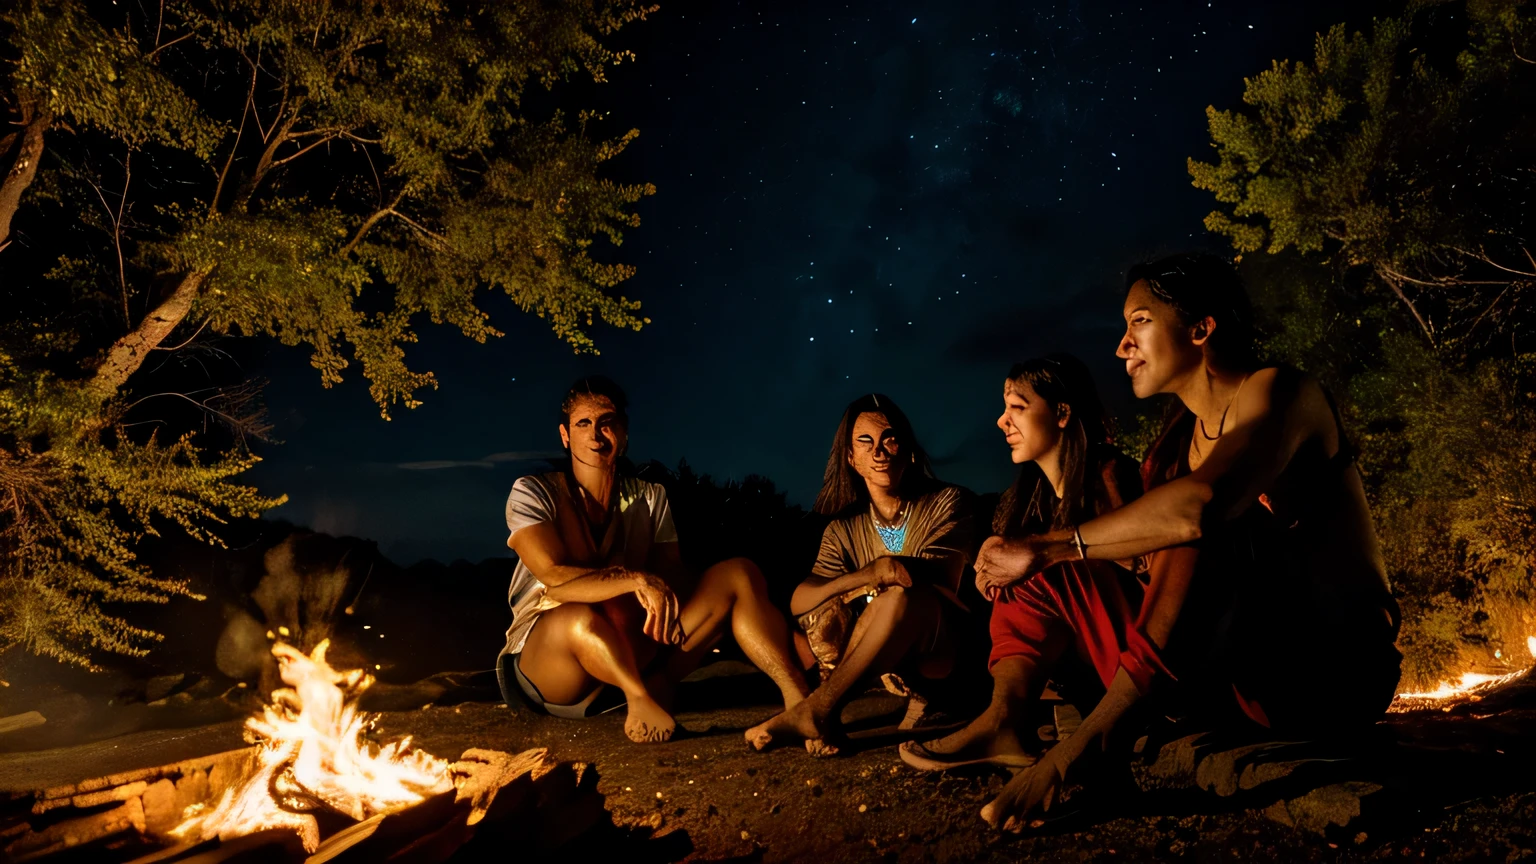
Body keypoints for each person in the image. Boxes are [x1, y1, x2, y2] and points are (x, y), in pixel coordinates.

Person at [971, 254, 1401, 831]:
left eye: (1139, 322)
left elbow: (1201, 510)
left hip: (1331, 672)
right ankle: (1006, 718)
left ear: (1201, 327)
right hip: (1237, 674)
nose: (1122, 347)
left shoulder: (1282, 392)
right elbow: (1158, 560)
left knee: (1190, 525)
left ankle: (1094, 745)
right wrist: (1024, 558)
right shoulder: (1175, 444)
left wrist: (1052, 545)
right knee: (1045, 574)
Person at [498, 376, 809, 743]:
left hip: (634, 644)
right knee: (576, 614)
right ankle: (638, 698)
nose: (597, 435)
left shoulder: (649, 496)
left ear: (624, 432)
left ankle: (800, 699)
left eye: (607, 421)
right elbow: (552, 576)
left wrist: (700, 606)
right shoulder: (533, 492)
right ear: (566, 436)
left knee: (739, 573)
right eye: (584, 423)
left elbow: (672, 574)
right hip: (553, 667)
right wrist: (635, 579)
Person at [897, 355, 1144, 773]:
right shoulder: (1028, 500)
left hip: (1138, 654)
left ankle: (1006, 721)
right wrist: (992, 571)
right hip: (1084, 664)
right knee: (1008, 575)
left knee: (1038, 568)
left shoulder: (1109, 473)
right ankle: (1005, 717)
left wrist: (1037, 556)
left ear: (1062, 412)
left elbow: (1143, 558)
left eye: (1017, 406)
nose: (1002, 421)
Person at [745, 394, 973, 755]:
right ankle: (825, 717)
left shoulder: (949, 501)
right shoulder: (843, 529)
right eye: (865, 443)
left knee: (899, 596)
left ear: (909, 449)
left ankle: (820, 709)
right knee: (829, 608)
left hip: (949, 655)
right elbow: (800, 599)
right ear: (851, 459)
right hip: (897, 670)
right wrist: (863, 576)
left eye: (890, 439)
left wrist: (883, 576)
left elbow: (941, 573)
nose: (879, 452)